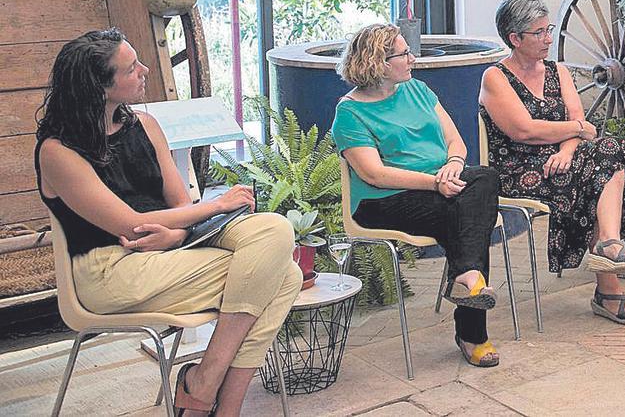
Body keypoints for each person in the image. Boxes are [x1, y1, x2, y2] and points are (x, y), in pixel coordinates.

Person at [35, 29, 301, 417]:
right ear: (100, 86)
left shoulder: (144, 124)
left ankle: (205, 385)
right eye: (130, 69)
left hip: (171, 249)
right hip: (111, 271)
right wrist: (216, 206)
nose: (143, 70)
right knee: (282, 276)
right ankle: (217, 398)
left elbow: (179, 203)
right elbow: (131, 224)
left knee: (274, 229)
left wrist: (176, 232)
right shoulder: (58, 152)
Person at [332, 23, 503, 367]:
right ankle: (472, 333)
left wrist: (453, 165)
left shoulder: (418, 90)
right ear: (379, 63)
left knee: (484, 178)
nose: (413, 58)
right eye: (404, 53)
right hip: (384, 201)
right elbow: (374, 174)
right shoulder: (350, 113)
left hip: (441, 185)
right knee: (464, 214)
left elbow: (456, 141)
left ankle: (468, 279)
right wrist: (435, 183)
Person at [480, 0, 625, 326]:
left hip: (562, 159)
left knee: (606, 152)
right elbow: (525, 131)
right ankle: (608, 285)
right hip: (520, 168)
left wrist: (567, 149)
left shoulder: (558, 70)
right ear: (515, 39)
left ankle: (609, 244)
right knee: (596, 176)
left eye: (549, 30)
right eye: (539, 33)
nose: (548, 39)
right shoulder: (495, 78)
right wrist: (576, 131)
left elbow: (579, 120)